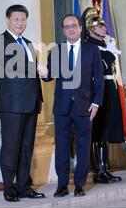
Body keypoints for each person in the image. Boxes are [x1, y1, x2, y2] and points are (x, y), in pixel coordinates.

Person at [40, 14, 103, 197]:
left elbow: (99, 80)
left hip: (85, 107)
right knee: (62, 147)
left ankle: (80, 184)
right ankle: (62, 185)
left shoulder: (91, 50)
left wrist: (96, 103)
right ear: (63, 30)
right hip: (62, 107)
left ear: (81, 28)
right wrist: (43, 72)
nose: (70, 29)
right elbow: (49, 75)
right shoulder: (56, 51)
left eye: (73, 25)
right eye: (66, 27)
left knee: (83, 146)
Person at [0, 4, 45, 202]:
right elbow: (11, 65)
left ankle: (24, 186)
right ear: (8, 20)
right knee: (11, 147)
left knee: (26, 147)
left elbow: (34, 75)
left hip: (31, 103)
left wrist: (42, 89)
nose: (20, 23)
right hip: (12, 104)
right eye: (16, 19)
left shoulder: (29, 43)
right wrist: (38, 68)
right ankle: (9, 187)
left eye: (23, 20)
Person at [82, 1, 124, 184]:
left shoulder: (103, 45)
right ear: (90, 28)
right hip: (98, 92)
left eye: (103, 24)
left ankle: (105, 168)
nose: (103, 27)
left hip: (110, 89)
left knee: (106, 131)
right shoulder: (90, 46)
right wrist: (110, 54)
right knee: (99, 132)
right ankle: (98, 171)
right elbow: (98, 67)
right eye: (99, 25)